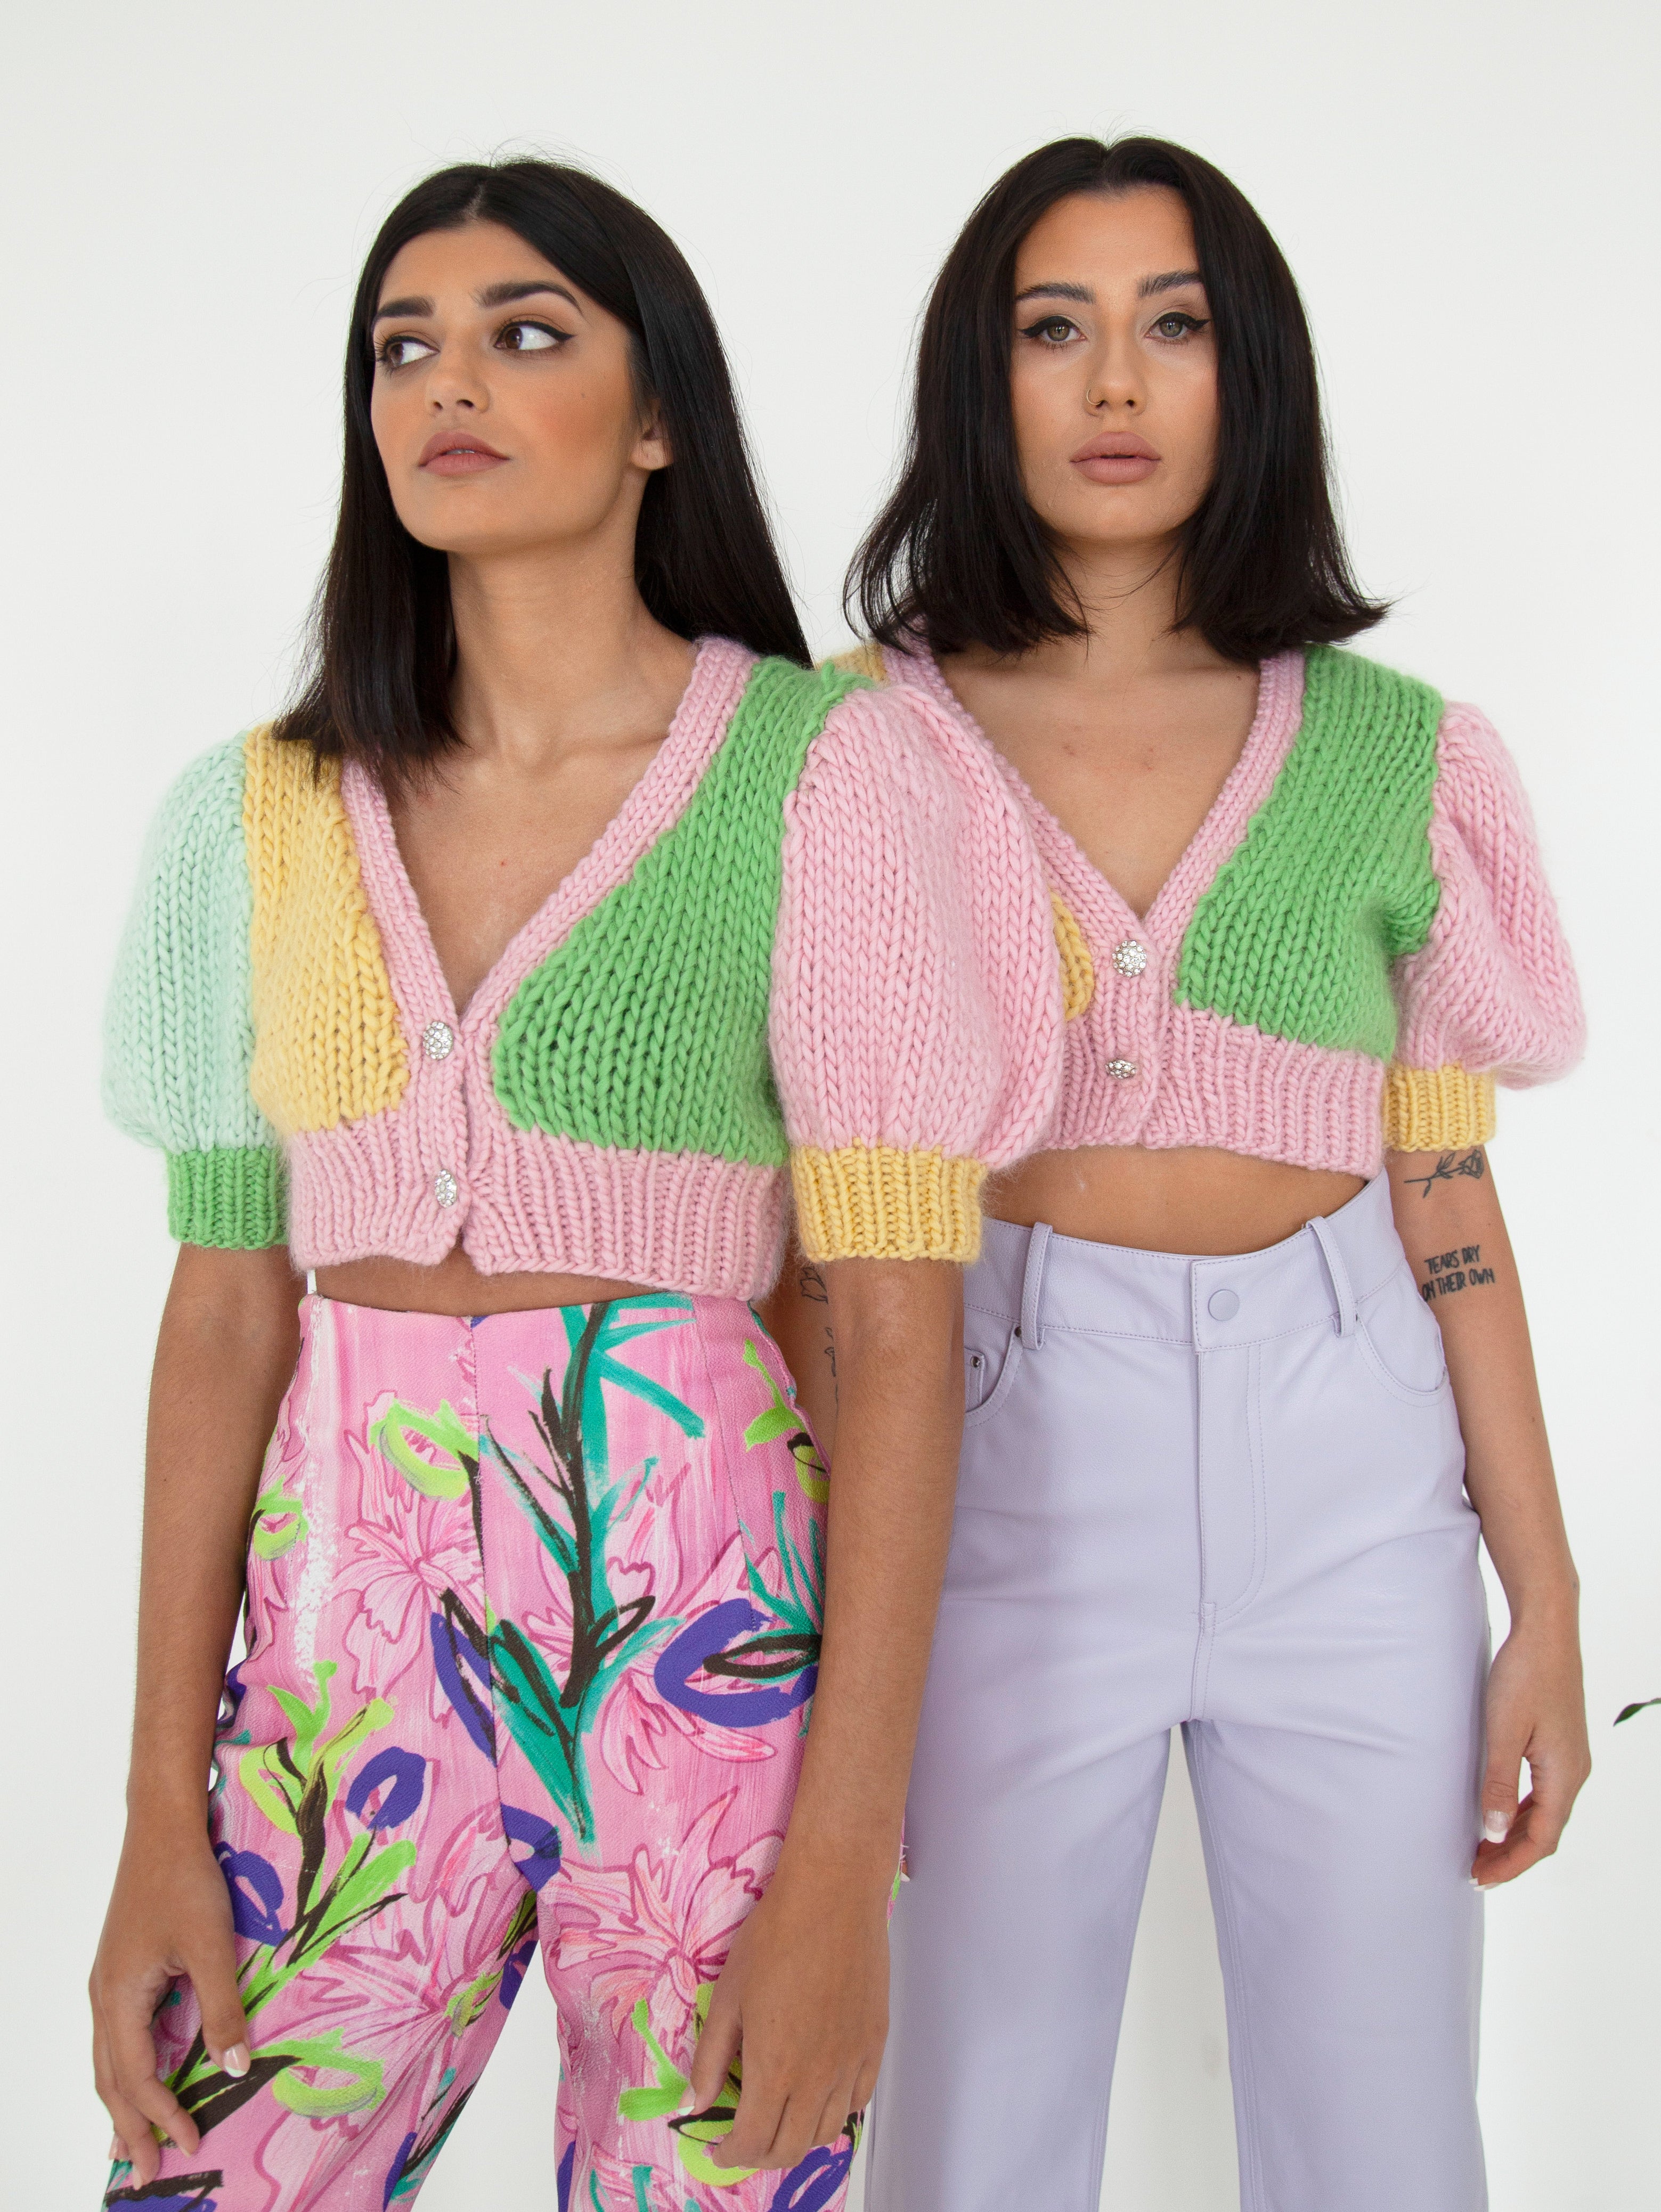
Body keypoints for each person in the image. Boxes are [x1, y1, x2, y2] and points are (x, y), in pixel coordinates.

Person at [91, 157, 1060, 2212]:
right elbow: (223, 1315)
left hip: (710, 1641)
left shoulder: (825, 772)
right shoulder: (251, 814)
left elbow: (895, 1329)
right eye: (402, 346)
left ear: (654, 418)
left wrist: (840, 1869)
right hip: (334, 1628)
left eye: (526, 333)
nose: (450, 382)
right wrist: (153, 1818)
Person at [797, 134, 1589, 2211]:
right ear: (986, 381)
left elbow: (1450, 1201)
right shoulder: (850, 748)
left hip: (1352, 1463)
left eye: (1174, 326)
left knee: (1387, 2140)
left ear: (1255, 379)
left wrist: (1547, 1595)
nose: (1116, 382)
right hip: (985, 1456)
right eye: (1054, 330)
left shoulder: (1397, 750)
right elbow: (806, 1219)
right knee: (976, 2118)